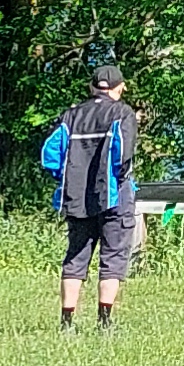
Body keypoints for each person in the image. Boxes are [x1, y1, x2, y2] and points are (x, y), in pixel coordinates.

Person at [51, 64, 142, 330]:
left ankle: (67, 321)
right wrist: (119, 179)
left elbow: (51, 154)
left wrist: (66, 179)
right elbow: (123, 155)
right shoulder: (122, 113)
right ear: (120, 87)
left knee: (76, 255)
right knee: (113, 256)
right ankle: (104, 321)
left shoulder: (71, 115)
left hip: (76, 195)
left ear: (92, 88)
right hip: (114, 194)